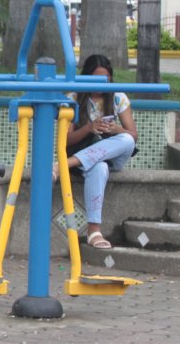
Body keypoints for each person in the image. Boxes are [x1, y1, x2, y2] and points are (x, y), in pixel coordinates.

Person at [55, 53, 138, 249]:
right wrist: (89, 128)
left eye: (105, 78)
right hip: (85, 155)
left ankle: (63, 165)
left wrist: (116, 130)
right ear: (86, 77)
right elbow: (64, 140)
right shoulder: (73, 98)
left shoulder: (118, 97)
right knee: (99, 167)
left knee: (127, 139)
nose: (102, 83)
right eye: (96, 78)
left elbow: (133, 135)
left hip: (112, 154)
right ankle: (94, 231)